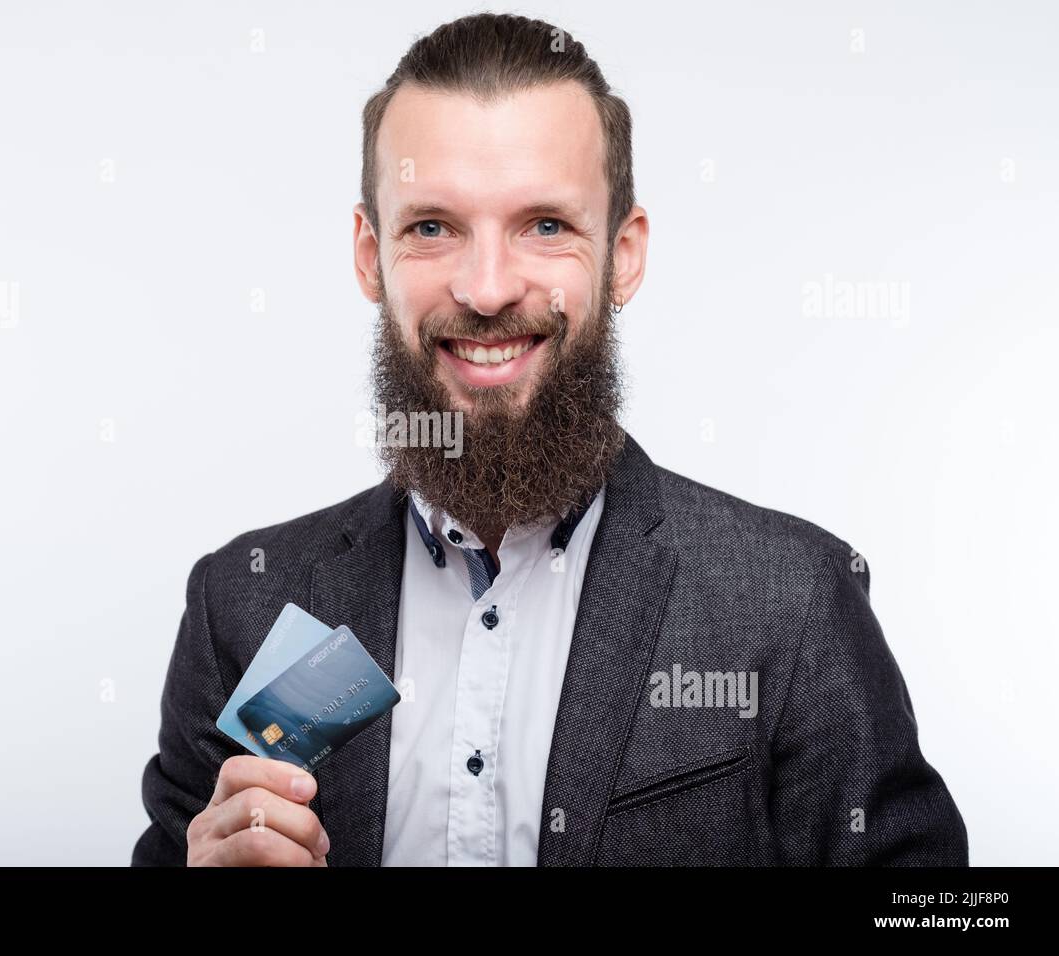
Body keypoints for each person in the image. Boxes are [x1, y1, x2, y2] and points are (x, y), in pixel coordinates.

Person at [133, 12, 968, 867]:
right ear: (368, 255)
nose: (488, 288)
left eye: (544, 225)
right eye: (431, 227)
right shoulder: (241, 604)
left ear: (624, 254)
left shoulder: (791, 602)